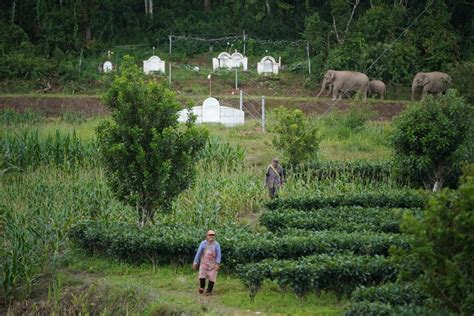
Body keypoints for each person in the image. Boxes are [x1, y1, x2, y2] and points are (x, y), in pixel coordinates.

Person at [192, 230, 221, 296]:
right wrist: (195, 262)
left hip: (212, 264)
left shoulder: (217, 244)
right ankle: (202, 287)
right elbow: (198, 253)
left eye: (213, 235)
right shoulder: (203, 243)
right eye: (210, 235)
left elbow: (219, 255)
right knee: (202, 276)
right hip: (204, 263)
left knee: (212, 277)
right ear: (207, 236)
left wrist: (217, 264)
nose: (211, 236)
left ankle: (209, 291)